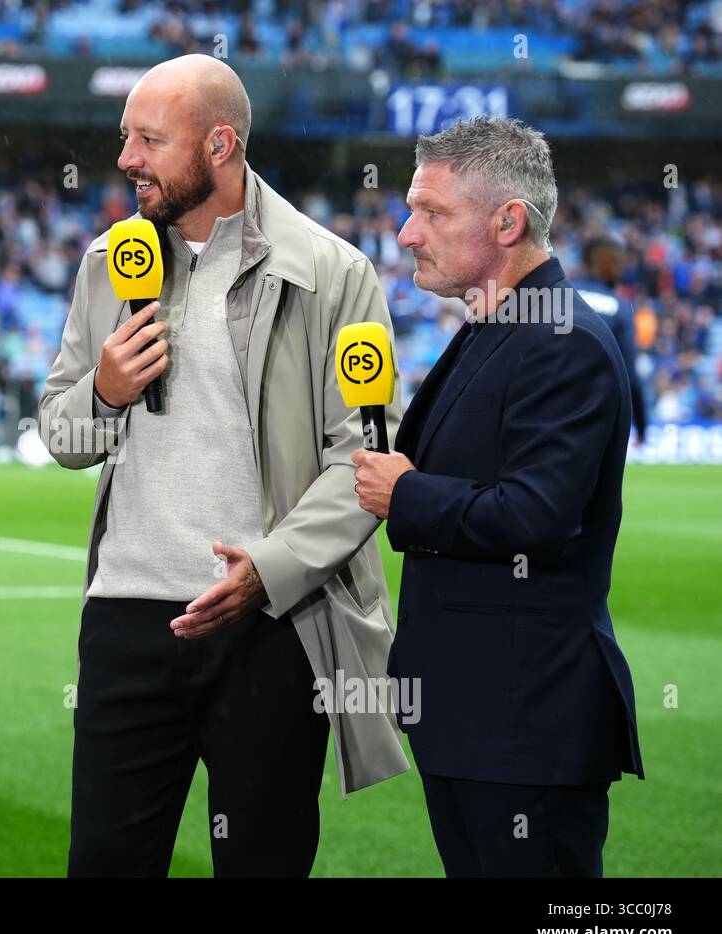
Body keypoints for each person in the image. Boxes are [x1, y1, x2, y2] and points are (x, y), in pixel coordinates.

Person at [40, 54, 408, 878]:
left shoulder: (333, 272)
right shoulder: (108, 260)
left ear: (219, 145)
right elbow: (62, 433)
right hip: (127, 619)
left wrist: (267, 571)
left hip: (272, 622)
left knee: (263, 863)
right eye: (124, 136)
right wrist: (102, 391)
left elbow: (366, 453)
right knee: (104, 861)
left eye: (148, 139)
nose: (127, 157)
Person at [352, 116, 644, 877]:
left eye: (432, 212)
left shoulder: (562, 340)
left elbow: (536, 517)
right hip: (478, 717)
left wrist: (407, 493)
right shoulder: (497, 325)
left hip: (525, 724)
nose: (408, 234)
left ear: (508, 220)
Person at [573, 236, 648, 445]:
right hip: (591, 417)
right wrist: (641, 427)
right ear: (612, 265)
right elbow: (630, 377)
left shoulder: (556, 294)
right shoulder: (620, 309)